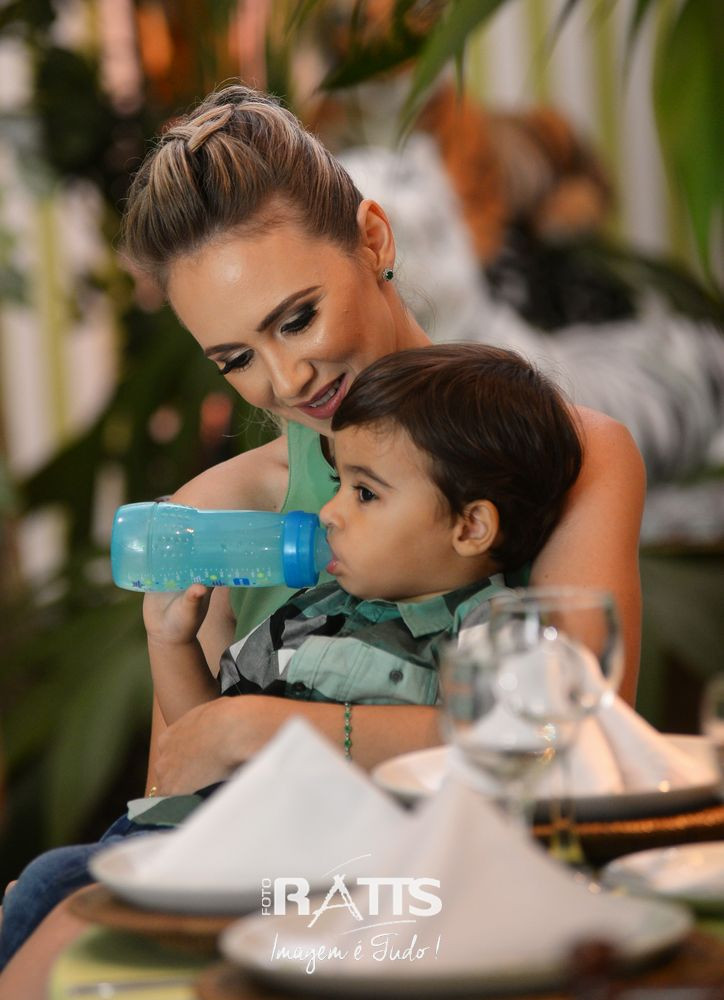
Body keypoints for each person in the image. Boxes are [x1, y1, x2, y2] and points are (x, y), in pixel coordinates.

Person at [0, 83, 644, 996]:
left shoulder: (574, 456)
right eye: (235, 359)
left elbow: (574, 748)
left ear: (373, 240)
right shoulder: (221, 512)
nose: (287, 378)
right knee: (56, 908)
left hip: (440, 892)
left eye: (297, 317)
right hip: (239, 879)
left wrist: (270, 729)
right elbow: (181, 794)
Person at [0, 342, 582, 968]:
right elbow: (206, 743)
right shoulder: (310, 610)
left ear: (470, 527)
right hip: (192, 842)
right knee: (47, 884)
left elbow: (511, 741)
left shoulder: (489, 629)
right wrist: (170, 642)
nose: (329, 511)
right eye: (339, 484)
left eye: (365, 494)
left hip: (309, 877)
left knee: (52, 891)